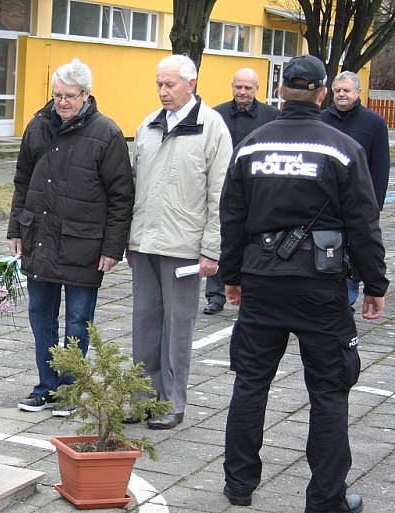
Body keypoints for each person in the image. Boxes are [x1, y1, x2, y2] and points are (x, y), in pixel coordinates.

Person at [220, 55, 387, 513]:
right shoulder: (340, 148)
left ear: (281, 92)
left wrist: (230, 277)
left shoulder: (251, 146)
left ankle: (239, 485)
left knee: (251, 383)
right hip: (321, 284)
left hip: (262, 280)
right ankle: (326, 498)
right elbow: (364, 223)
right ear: (320, 94)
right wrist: (376, 283)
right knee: (330, 390)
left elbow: (231, 218)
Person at [8, 58, 133, 416]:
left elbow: (122, 196)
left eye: (69, 96)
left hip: (84, 243)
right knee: (40, 317)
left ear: (86, 95)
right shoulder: (38, 126)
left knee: (78, 321)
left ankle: (71, 389)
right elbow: (22, 182)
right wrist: (16, 228)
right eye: (57, 95)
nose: (61, 102)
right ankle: (47, 386)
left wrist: (113, 248)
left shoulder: (106, 133)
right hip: (41, 239)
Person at [129, 54, 232, 429]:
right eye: (159, 83)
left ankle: (171, 402)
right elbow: (134, 183)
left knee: (177, 328)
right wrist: (129, 238)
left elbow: (221, 195)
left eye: (170, 84)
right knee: (144, 324)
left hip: (184, 248)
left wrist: (211, 249)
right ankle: (141, 397)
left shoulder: (212, 128)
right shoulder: (147, 125)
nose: (163, 91)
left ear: (191, 84)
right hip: (144, 243)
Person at [203, 68, 279, 315]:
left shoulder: (271, 117)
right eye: (239, 87)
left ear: (258, 88)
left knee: (251, 243)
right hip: (222, 188)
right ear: (232, 86)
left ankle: (249, 292)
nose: (243, 92)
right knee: (219, 241)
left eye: (248, 87)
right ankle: (215, 295)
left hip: (257, 192)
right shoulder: (216, 115)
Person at [320, 70, 391, 306]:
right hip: (324, 206)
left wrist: (375, 206)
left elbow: (380, 168)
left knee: (355, 254)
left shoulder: (374, 123)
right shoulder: (320, 121)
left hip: (358, 205)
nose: (341, 95)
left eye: (346, 90)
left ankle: (346, 300)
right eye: (337, 90)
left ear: (358, 92)